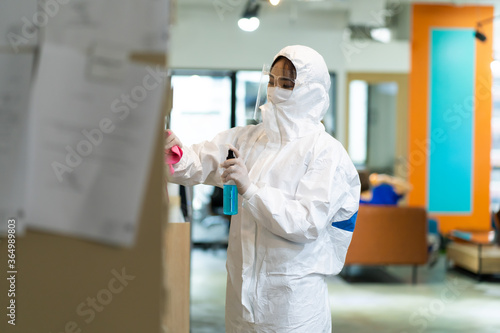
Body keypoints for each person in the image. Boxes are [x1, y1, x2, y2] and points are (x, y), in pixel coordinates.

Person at [165, 45, 360, 332]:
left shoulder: (326, 153)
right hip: (241, 299)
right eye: (271, 81)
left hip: (292, 307)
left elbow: (306, 223)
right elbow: (199, 162)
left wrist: (250, 189)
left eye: (286, 84)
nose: (274, 90)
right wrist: (172, 149)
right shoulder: (248, 138)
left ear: (311, 91)